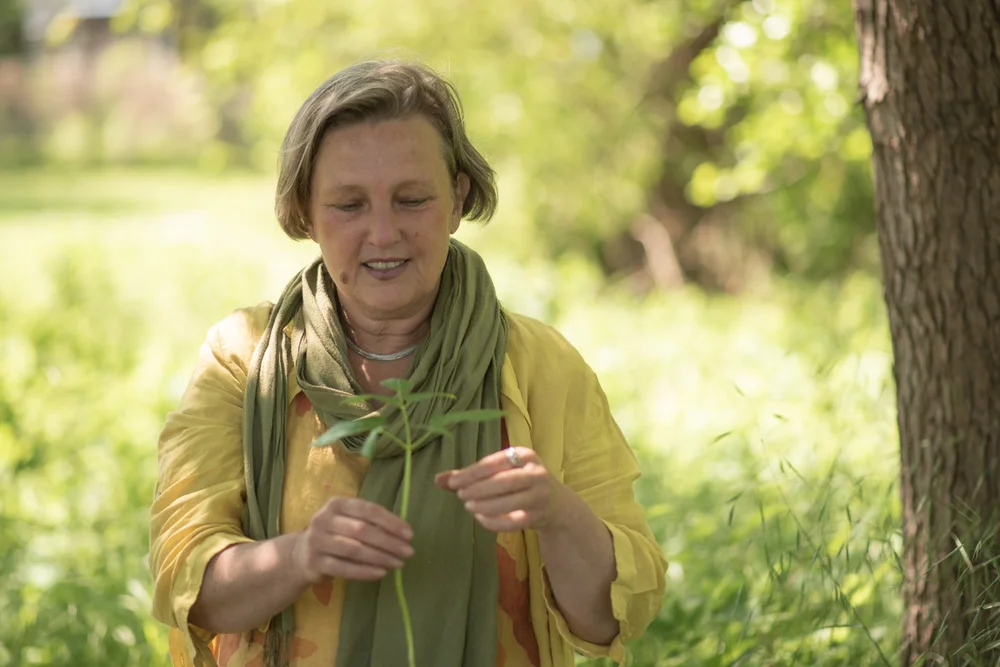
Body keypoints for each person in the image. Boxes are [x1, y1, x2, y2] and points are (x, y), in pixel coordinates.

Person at [149, 60, 667, 667]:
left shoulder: (539, 368)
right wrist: (301, 556)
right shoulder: (243, 360)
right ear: (305, 213)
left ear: (458, 199)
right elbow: (184, 581)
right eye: (348, 205)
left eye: (412, 199)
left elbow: (610, 615)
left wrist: (554, 513)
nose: (384, 232)